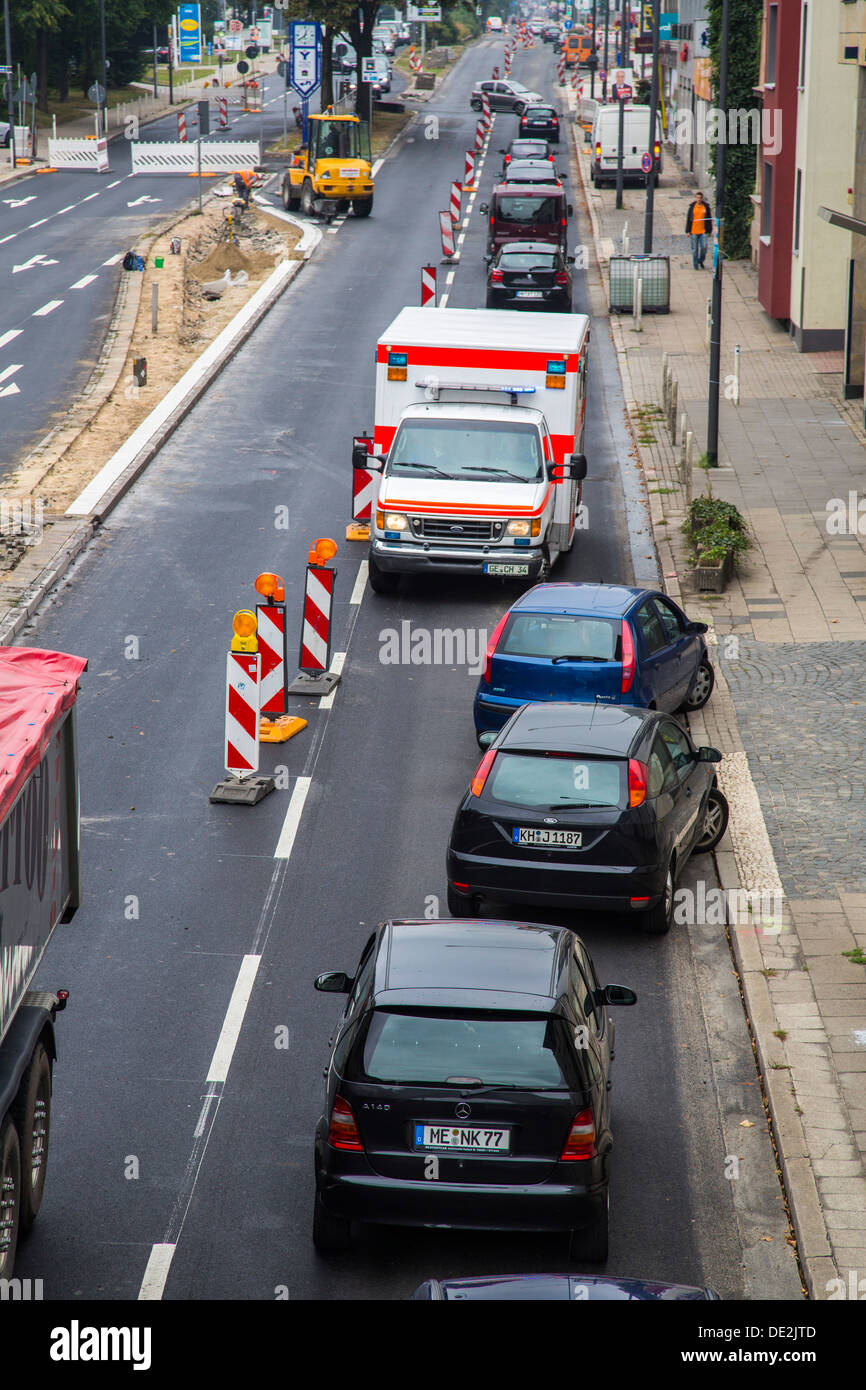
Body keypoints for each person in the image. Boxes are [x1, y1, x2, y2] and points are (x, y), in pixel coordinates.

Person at [685, 190, 712, 269]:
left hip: (703, 231)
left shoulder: (706, 207)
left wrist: (709, 230)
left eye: (700, 198)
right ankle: (695, 264)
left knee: (704, 247)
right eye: (697, 198)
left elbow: (709, 219)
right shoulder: (692, 207)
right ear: (695, 198)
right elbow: (688, 219)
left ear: (702, 198)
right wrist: (687, 231)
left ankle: (700, 260)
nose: (698, 199)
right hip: (694, 231)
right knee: (695, 249)